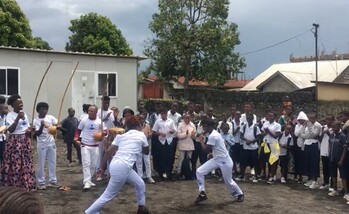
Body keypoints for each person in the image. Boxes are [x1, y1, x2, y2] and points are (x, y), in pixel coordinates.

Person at [85, 115, 150, 214]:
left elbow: (108, 152)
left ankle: (141, 209)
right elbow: (146, 152)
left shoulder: (121, 136)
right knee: (108, 195)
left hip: (116, 164)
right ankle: (88, 212)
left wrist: (102, 168)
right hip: (123, 166)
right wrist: (141, 145)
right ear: (138, 126)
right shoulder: (141, 135)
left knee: (140, 184)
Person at [194, 118, 244, 204]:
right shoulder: (213, 134)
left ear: (210, 126)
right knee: (199, 171)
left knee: (228, 181)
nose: (203, 128)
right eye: (203, 126)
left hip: (225, 161)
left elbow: (206, 150)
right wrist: (213, 153)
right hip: (217, 159)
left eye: (205, 126)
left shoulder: (213, 135)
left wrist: (201, 141)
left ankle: (239, 194)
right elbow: (219, 147)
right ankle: (202, 193)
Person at [1, 95, 36, 191]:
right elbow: (10, 130)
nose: (21, 105)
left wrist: (30, 130)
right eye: (18, 103)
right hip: (15, 141)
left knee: (25, 162)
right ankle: (14, 184)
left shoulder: (23, 114)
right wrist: (17, 119)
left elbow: (26, 127)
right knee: (15, 162)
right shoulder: (10, 115)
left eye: (21, 103)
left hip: (24, 140)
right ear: (13, 105)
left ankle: (26, 183)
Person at [75, 105, 106, 190]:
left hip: (95, 146)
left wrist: (103, 133)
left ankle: (89, 180)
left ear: (96, 112)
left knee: (93, 165)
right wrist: (76, 138)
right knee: (86, 164)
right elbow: (78, 130)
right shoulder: (84, 120)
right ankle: (86, 182)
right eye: (89, 111)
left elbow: (105, 131)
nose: (89, 112)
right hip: (85, 145)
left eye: (91, 111)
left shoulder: (100, 122)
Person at [34, 102, 60, 190]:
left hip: (51, 142)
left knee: (52, 162)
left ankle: (52, 180)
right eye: (42, 109)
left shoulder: (50, 117)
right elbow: (37, 133)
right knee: (41, 163)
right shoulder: (36, 120)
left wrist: (57, 126)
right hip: (41, 143)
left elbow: (58, 124)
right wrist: (42, 125)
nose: (44, 111)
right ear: (38, 110)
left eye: (46, 109)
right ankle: (41, 182)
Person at [152, 108, 177, 180]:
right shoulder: (158, 121)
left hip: (169, 140)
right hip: (161, 141)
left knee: (169, 157)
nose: (163, 115)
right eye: (162, 114)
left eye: (165, 113)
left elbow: (174, 128)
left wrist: (172, 131)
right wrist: (159, 133)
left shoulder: (171, 121)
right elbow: (154, 132)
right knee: (161, 157)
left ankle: (169, 172)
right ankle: (161, 173)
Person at [299, 113, 322, 189]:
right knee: (308, 162)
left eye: (312, 118)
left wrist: (308, 126)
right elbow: (301, 134)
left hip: (314, 145)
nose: (310, 120)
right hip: (307, 144)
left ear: (315, 118)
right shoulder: (307, 125)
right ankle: (310, 179)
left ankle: (315, 181)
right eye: (309, 118)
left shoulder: (317, 126)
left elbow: (313, 135)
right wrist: (304, 126)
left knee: (314, 162)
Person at [327, 121, 348, 198]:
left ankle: (346, 192)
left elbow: (345, 148)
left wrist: (342, 159)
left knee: (343, 176)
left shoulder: (342, 136)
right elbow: (329, 145)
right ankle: (335, 189)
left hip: (340, 159)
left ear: (339, 127)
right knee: (333, 175)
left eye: (335, 127)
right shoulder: (332, 135)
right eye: (332, 127)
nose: (333, 128)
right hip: (332, 158)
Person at [238, 113, 261, 183]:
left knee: (255, 162)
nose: (249, 120)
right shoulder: (244, 126)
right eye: (248, 118)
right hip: (246, 147)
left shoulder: (256, 127)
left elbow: (259, 136)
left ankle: (256, 176)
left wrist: (252, 141)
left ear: (252, 119)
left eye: (250, 118)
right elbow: (241, 135)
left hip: (254, 148)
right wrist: (246, 140)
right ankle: (242, 175)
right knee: (243, 162)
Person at [96, 96, 115, 181]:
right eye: (105, 102)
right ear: (102, 102)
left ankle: (109, 172)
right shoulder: (98, 112)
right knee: (100, 154)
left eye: (108, 102)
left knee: (110, 154)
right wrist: (105, 118)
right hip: (101, 136)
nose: (106, 104)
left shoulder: (111, 112)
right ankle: (99, 172)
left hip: (110, 136)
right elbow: (98, 123)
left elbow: (113, 125)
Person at [261, 112, 281, 184]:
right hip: (266, 143)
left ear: (274, 117)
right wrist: (265, 133)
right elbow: (262, 133)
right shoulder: (265, 123)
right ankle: (268, 175)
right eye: (269, 116)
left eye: (272, 116)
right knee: (265, 160)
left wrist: (268, 131)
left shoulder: (277, 125)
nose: (270, 117)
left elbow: (276, 136)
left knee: (273, 161)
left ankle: (273, 176)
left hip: (273, 144)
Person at [136, 114, 155, 184]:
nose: (141, 120)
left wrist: (147, 137)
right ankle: (140, 176)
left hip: (146, 146)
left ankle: (149, 176)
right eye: (139, 119)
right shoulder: (136, 127)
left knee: (147, 161)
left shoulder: (147, 126)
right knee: (139, 161)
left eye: (142, 119)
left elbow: (150, 134)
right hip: (138, 146)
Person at [176, 113, 196, 178]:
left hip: (190, 144)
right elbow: (178, 135)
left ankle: (188, 173)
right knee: (181, 159)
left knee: (189, 159)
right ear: (184, 118)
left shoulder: (192, 125)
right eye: (186, 118)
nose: (187, 119)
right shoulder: (180, 125)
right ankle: (179, 172)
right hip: (182, 144)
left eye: (188, 118)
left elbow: (195, 136)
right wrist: (185, 134)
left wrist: (193, 135)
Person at [319, 115, 335, 190]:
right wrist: (323, 133)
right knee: (325, 168)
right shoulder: (323, 127)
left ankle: (332, 184)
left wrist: (328, 132)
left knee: (331, 168)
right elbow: (320, 138)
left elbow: (333, 138)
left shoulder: (334, 128)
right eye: (327, 120)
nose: (328, 121)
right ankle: (325, 182)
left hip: (330, 151)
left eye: (330, 120)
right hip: (324, 149)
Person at [294, 111, 308, 183]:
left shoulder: (308, 126)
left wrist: (302, 134)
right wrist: (302, 126)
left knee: (305, 161)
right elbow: (296, 134)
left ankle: (307, 177)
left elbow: (306, 134)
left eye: (302, 120)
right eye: (299, 120)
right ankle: (299, 176)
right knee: (299, 161)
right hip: (299, 145)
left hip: (306, 144)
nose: (300, 121)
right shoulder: (297, 126)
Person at [0, 102, 9, 167]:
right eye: (5, 109)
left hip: (3, 138)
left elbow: (6, 127)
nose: (7, 110)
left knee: (3, 156)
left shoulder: (6, 117)